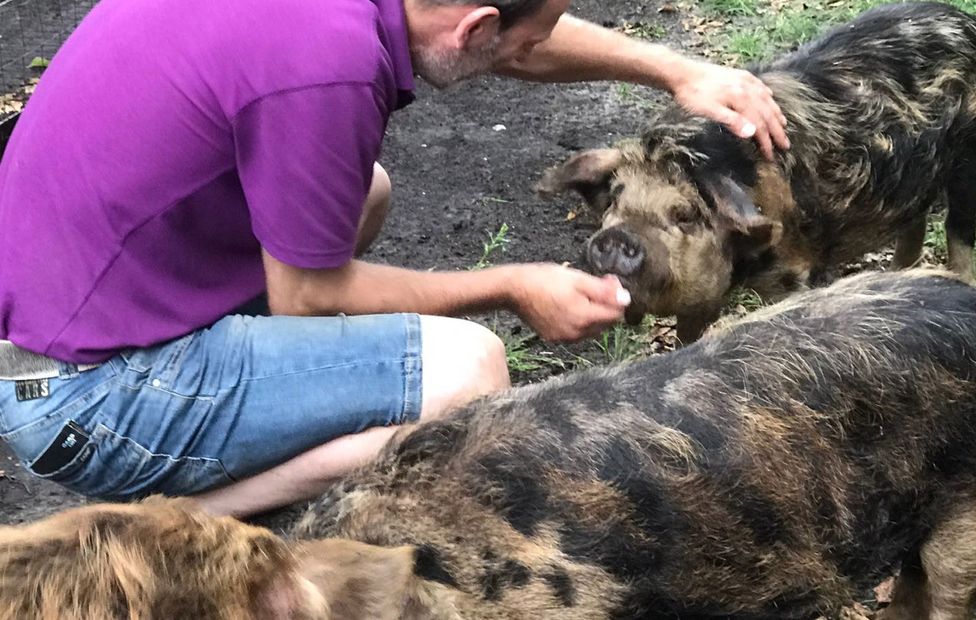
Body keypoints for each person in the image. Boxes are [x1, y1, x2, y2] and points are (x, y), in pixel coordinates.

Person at [0, 0, 787, 518]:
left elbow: (509, 38)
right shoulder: (325, 64)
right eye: (532, 34)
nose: (535, 49)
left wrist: (677, 68)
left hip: (76, 302)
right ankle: (187, 514)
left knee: (363, 191)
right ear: (476, 26)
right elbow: (307, 294)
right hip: (88, 400)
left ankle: (257, 392)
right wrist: (512, 284)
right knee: (470, 372)